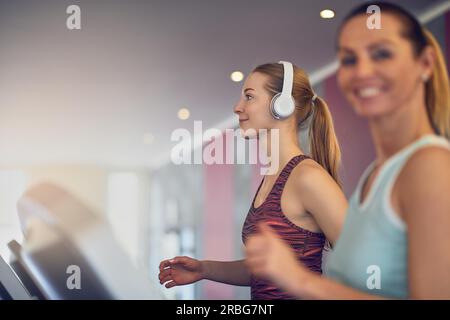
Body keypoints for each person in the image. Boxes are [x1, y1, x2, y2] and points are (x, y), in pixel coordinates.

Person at [245, 2, 450, 299]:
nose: (362, 71)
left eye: (382, 53)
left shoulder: (428, 165)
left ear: (426, 63)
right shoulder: (375, 176)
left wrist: (299, 281)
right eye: (349, 60)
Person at [158, 61, 347, 299]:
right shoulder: (272, 178)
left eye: (249, 97)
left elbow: (365, 265)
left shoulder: (308, 177)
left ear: (282, 105)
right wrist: (204, 269)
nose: (237, 108)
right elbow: (265, 273)